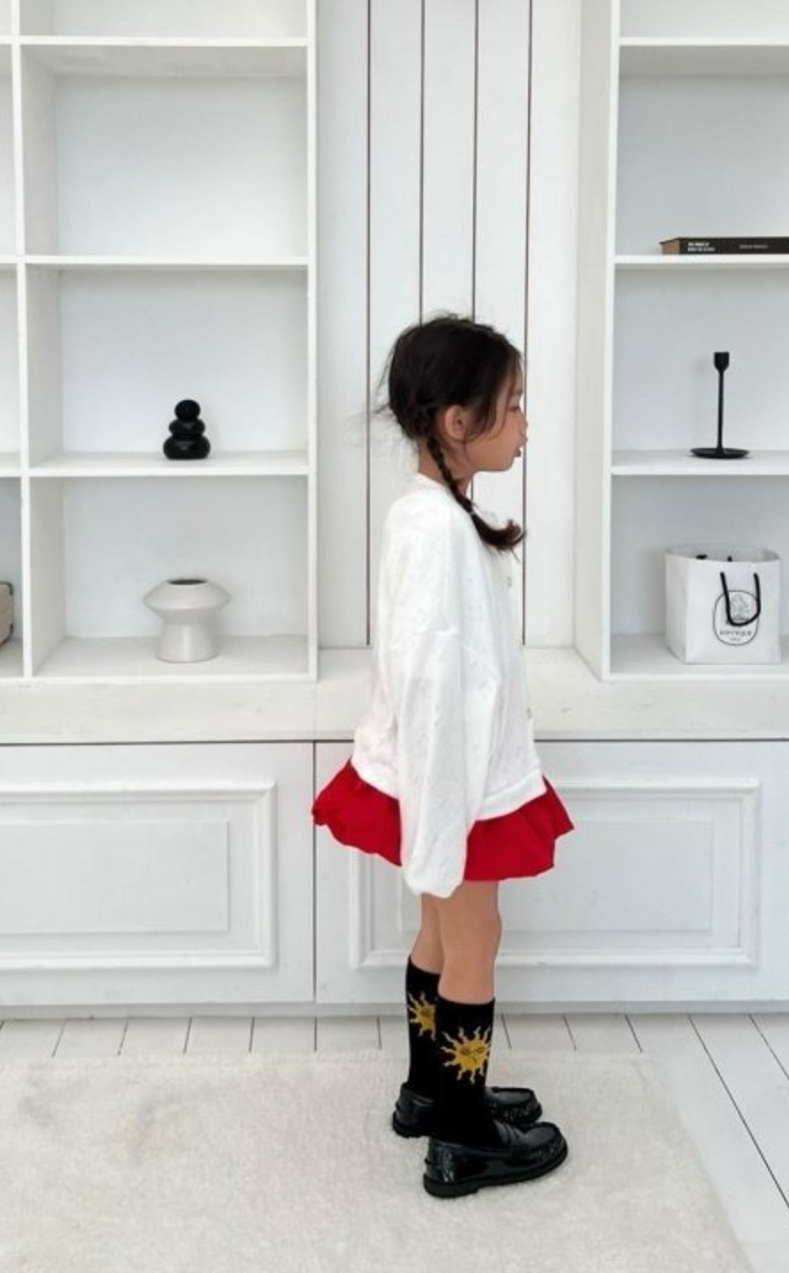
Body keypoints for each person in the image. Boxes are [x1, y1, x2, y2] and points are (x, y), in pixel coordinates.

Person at [312, 314, 574, 1199]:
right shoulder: (437, 534)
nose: (526, 424)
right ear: (458, 422)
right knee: (473, 941)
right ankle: (464, 1138)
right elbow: (433, 683)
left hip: (443, 776)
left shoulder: (433, 517)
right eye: (514, 405)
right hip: (454, 781)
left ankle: (431, 1090)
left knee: (439, 932)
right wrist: (444, 816)